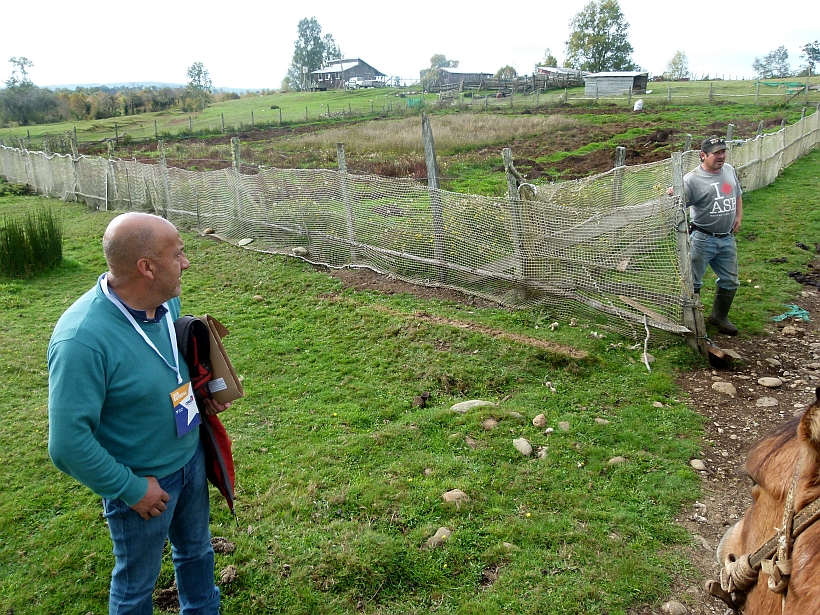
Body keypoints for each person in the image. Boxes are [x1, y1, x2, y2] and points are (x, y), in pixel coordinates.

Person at [48, 212, 230, 614]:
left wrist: (201, 399)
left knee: (197, 552)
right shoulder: (81, 340)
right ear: (146, 268)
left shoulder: (165, 300)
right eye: (178, 254)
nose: (186, 263)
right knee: (136, 587)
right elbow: (67, 444)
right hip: (144, 484)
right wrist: (131, 489)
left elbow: (168, 368)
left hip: (190, 458)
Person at [683, 136, 744, 335]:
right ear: (703, 156)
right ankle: (692, 318)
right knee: (694, 281)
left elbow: (736, 194)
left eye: (723, 152)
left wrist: (738, 215)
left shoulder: (729, 170)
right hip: (702, 238)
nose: (722, 156)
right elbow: (678, 202)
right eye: (716, 153)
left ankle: (719, 316)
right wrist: (673, 193)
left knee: (730, 281)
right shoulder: (692, 179)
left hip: (726, 238)